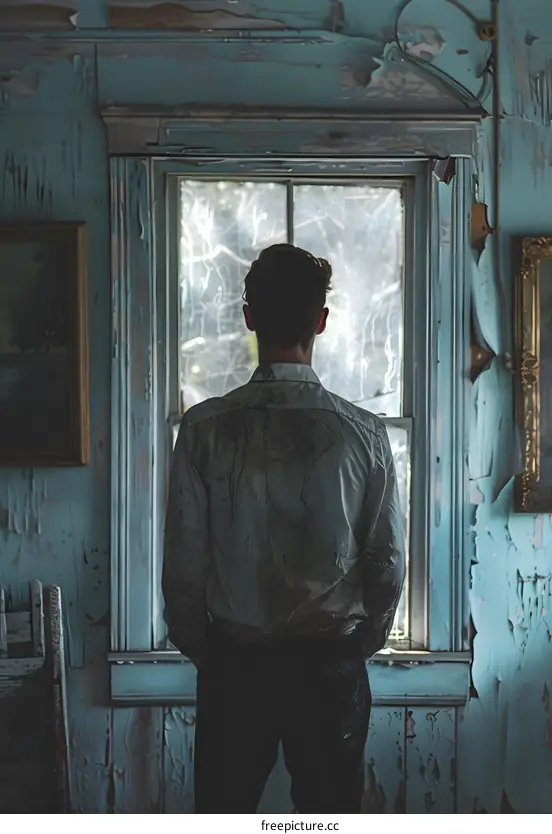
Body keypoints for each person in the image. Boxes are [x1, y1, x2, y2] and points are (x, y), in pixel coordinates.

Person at [162, 243, 405, 814]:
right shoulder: (363, 435)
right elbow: (386, 563)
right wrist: (356, 647)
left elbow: (184, 567)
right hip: (327, 667)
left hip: (236, 663)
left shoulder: (204, 430)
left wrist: (213, 654)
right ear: (321, 321)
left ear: (249, 317)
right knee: (327, 818)